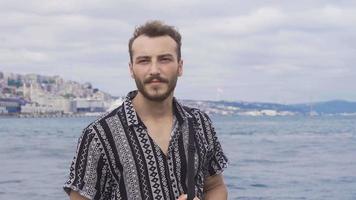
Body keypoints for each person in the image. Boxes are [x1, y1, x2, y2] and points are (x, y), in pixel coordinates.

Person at [63, 20, 228, 200]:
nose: (154, 70)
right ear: (131, 69)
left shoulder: (199, 123)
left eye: (164, 59)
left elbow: (215, 187)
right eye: (144, 61)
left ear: (180, 67)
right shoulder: (98, 135)